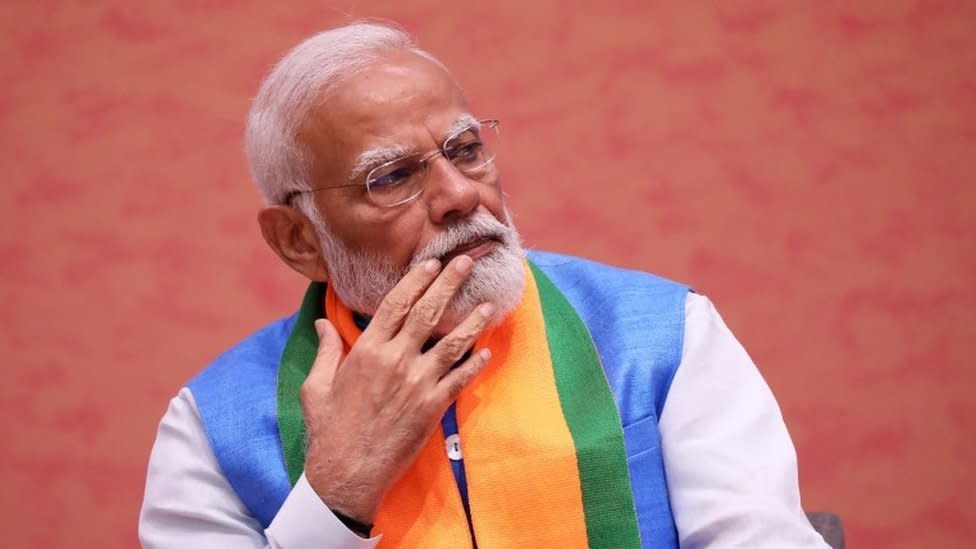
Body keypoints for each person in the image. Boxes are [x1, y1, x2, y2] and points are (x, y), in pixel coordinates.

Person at [139, 21, 830, 549]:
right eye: (393, 177)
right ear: (298, 238)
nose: (460, 195)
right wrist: (336, 490)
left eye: (465, 149)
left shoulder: (667, 338)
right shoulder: (210, 427)